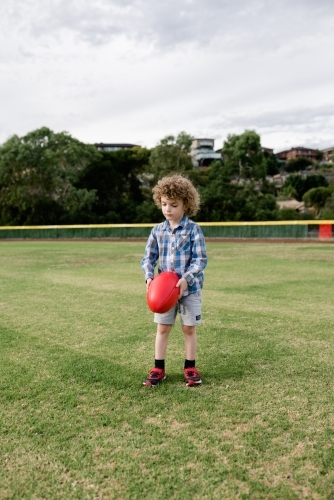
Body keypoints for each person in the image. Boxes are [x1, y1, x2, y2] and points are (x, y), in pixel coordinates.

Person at [141, 174, 208, 387]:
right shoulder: (157, 231)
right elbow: (148, 258)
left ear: (186, 204)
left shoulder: (193, 230)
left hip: (189, 289)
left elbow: (200, 260)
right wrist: (149, 277)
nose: (168, 209)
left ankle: (190, 367)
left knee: (189, 328)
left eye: (173, 204)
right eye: (164, 204)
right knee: (162, 328)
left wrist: (186, 279)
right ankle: (158, 368)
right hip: (164, 292)